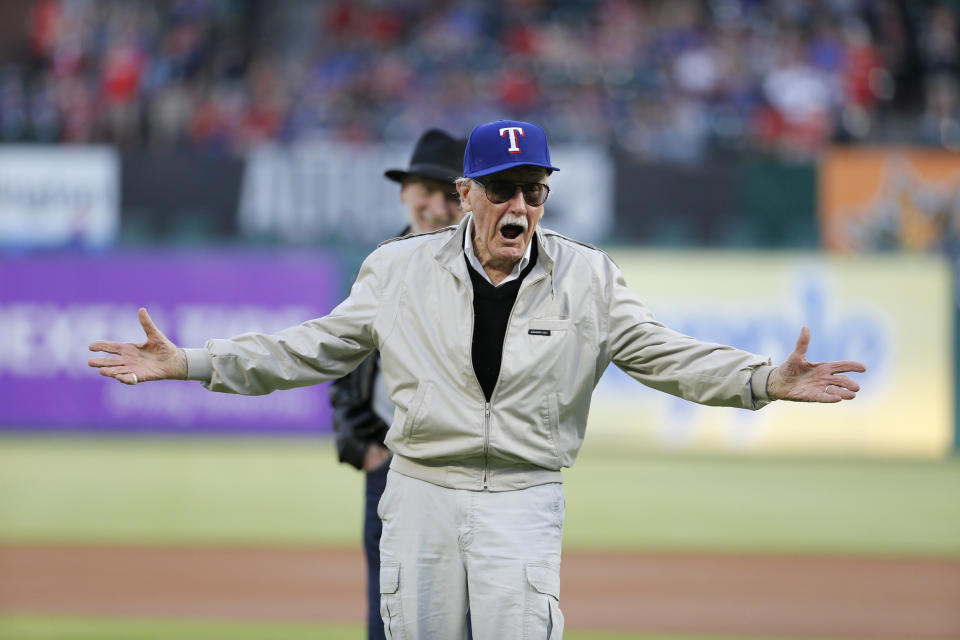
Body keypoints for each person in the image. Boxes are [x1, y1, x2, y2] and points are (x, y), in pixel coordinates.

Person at [88, 119, 866, 640]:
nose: (520, 206)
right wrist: (190, 362)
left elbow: (667, 355)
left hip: (524, 500)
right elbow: (310, 348)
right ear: (465, 197)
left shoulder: (588, 279)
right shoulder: (398, 271)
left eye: (534, 190)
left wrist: (765, 380)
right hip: (421, 491)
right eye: (502, 189)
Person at [329, 128, 467, 640]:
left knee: (469, 613)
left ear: (469, 200)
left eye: (449, 195)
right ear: (404, 193)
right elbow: (341, 359)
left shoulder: (490, 272)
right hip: (391, 463)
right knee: (388, 613)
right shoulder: (379, 266)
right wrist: (360, 441)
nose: (434, 205)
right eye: (425, 191)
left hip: (465, 469)